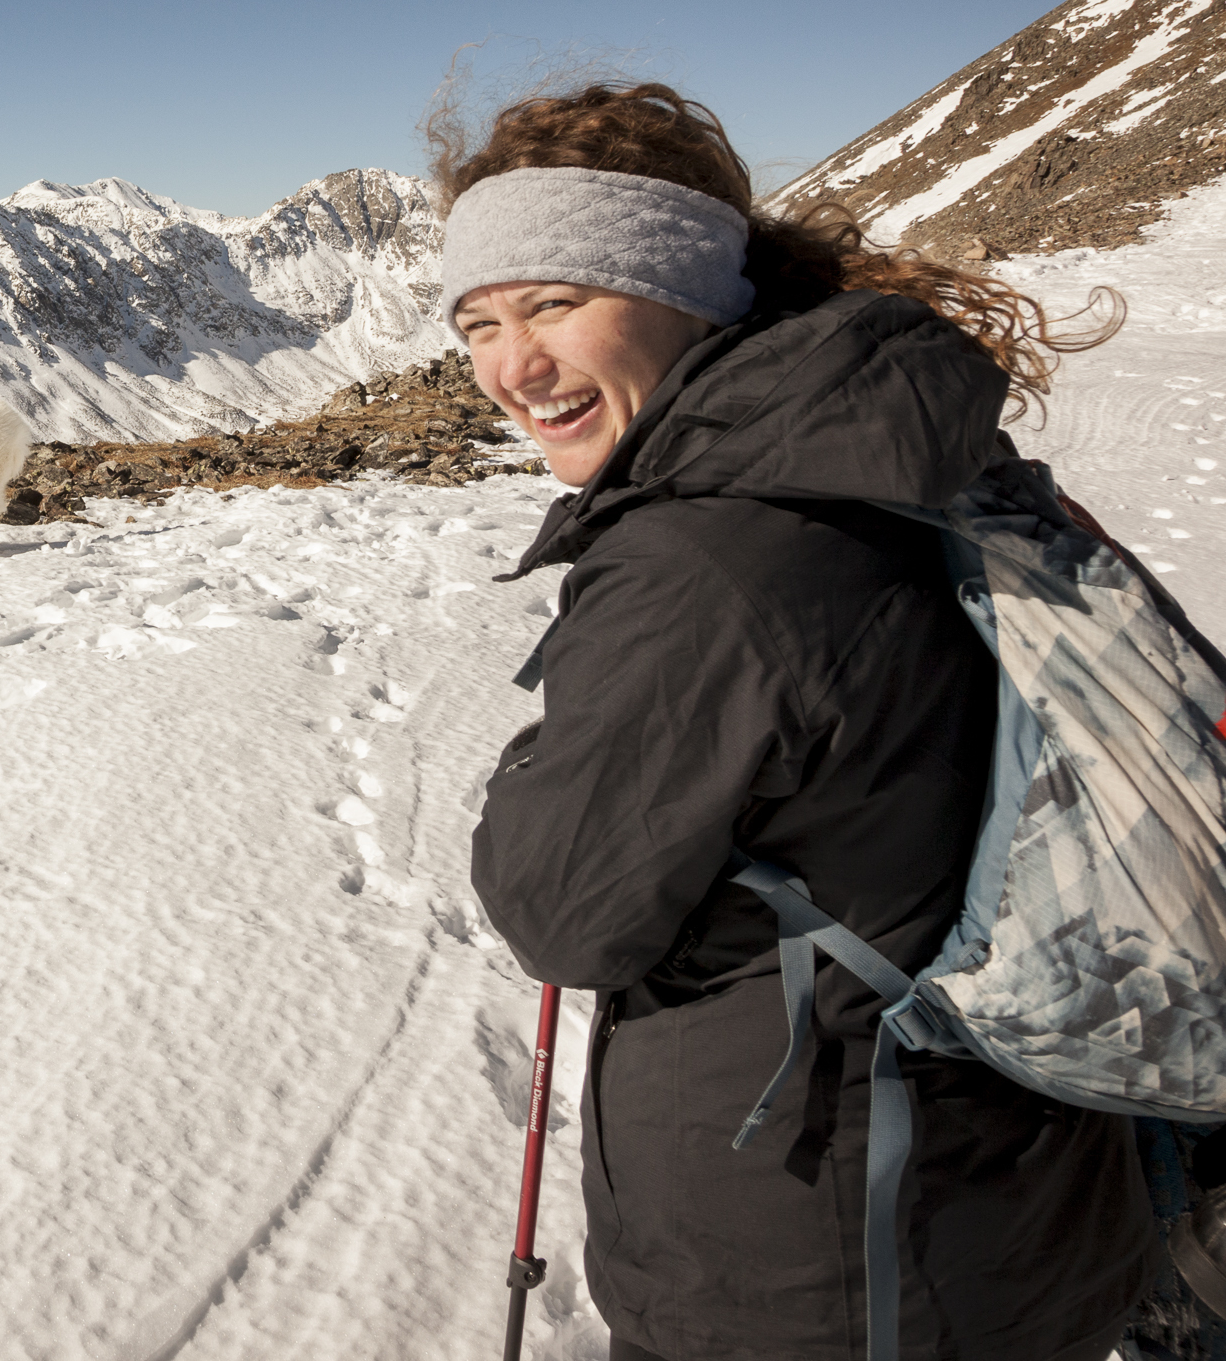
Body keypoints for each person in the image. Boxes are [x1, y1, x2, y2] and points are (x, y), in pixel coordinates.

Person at [446, 83, 1157, 1361]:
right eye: (479, 320)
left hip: (819, 1250)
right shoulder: (876, 436)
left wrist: (528, 764)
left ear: (686, 287)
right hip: (1007, 1188)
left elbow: (561, 909)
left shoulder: (708, 556)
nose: (512, 365)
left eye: (555, 300)